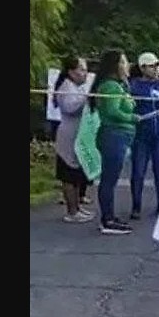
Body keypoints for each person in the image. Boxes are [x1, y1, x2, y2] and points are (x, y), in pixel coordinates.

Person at [90, 49, 138, 235]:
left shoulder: (119, 86)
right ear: (115, 65)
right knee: (109, 180)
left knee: (112, 179)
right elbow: (112, 112)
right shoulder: (110, 86)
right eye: (124, 62)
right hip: (113, 136)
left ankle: (110, 215)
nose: (127, 66)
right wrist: (131, 117)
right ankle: (107, 220)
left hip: (120, 136)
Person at [128, 52, 159, 220]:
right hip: (141, 134)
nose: (156, 69)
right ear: (142, 68)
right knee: (138, 170)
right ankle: (136, 206)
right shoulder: (133, 86)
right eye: (152, 66)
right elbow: (128, 107)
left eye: (157, 65)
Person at [53, 56, 94, 223]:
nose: (85, 73)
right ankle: (71, 211)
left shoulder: (78, 87)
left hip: (78, 135)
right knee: (68, 175)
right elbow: (69, 107)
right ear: (71, 72)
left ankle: (77, 207)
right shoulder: (65, 87)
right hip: (68, 136)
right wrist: (86, 97)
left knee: (77, 174)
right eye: (81, 69)